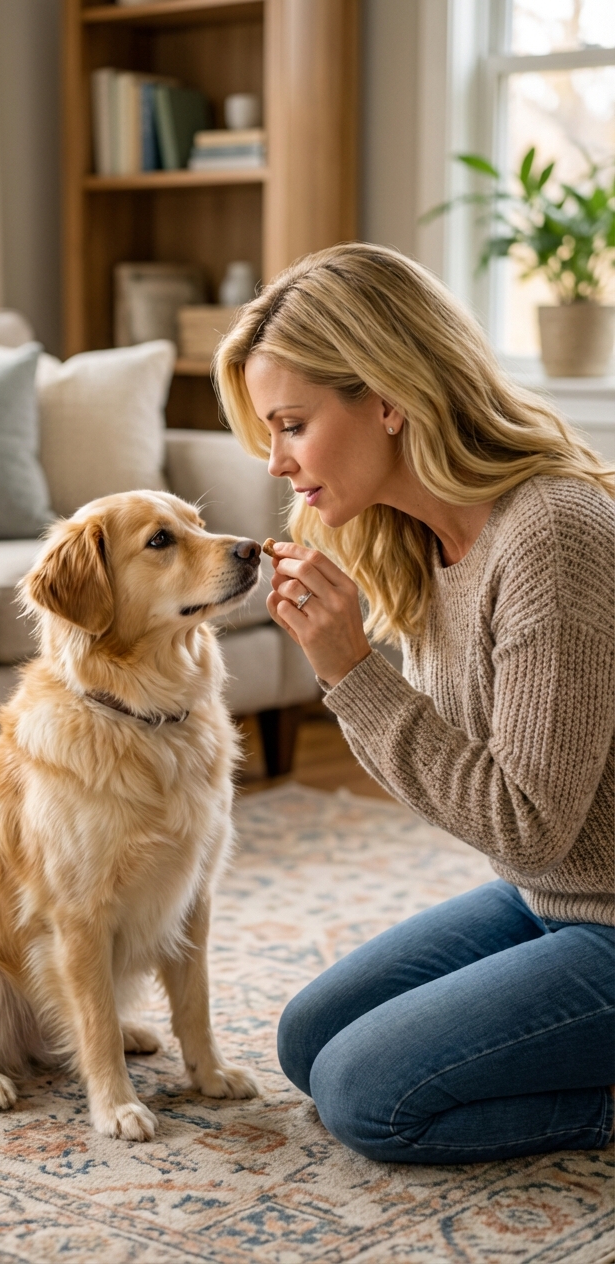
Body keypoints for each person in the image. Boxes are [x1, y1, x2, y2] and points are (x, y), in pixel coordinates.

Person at [215, 242, 615, 1165]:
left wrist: (354, 671)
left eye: (291, 424)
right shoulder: (414, 540)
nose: (276, 463)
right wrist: (351, 666)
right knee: (308, 1041)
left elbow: (526, 824)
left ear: (389, 397)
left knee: (369, 1096)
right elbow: (512, 838)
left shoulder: (551, 532)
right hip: (547, 896)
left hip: (599, 906)